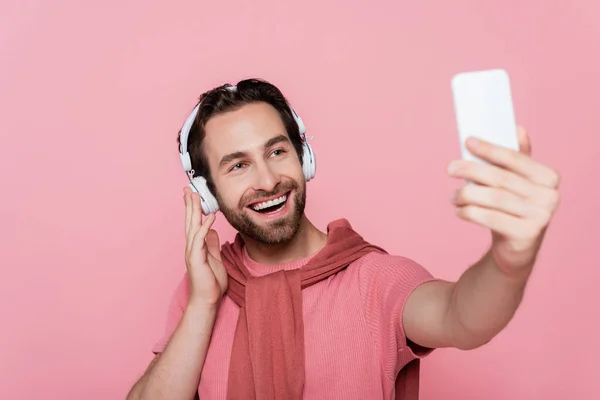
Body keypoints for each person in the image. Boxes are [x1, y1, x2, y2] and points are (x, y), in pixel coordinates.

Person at [126, 78, 561, 400]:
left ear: (305, 157)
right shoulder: (203, 289)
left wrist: (509, 259)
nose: (268, 179)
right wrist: (203, 304)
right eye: (238, 166)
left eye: (277, 152)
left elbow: (463, 318)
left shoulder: (378, 278)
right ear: (208, 193)